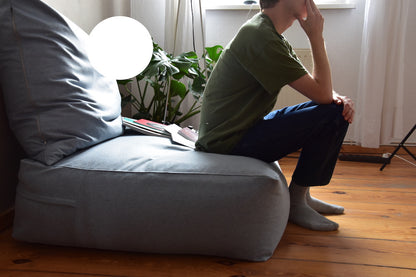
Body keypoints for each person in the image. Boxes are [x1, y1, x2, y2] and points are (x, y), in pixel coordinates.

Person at [195, 0, 355, 231]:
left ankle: (303, 197)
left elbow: (317, 88)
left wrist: (336, 97)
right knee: (331, 113)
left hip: (242, 129)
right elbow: (321, 94)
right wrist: (316, 37)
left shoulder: (267, 32)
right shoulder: (259, 36)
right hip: (227, 142)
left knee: (334, 109)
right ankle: (296, 203)